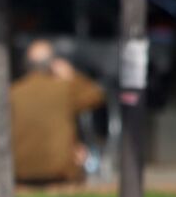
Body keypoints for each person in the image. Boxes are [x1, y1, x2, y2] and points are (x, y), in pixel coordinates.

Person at [10, 39, 105, 184]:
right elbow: (96, 95)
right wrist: (72, 75)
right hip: (60, 171)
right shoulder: (65, 88)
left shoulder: (13, 92)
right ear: (53, 64)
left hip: (20, 171)